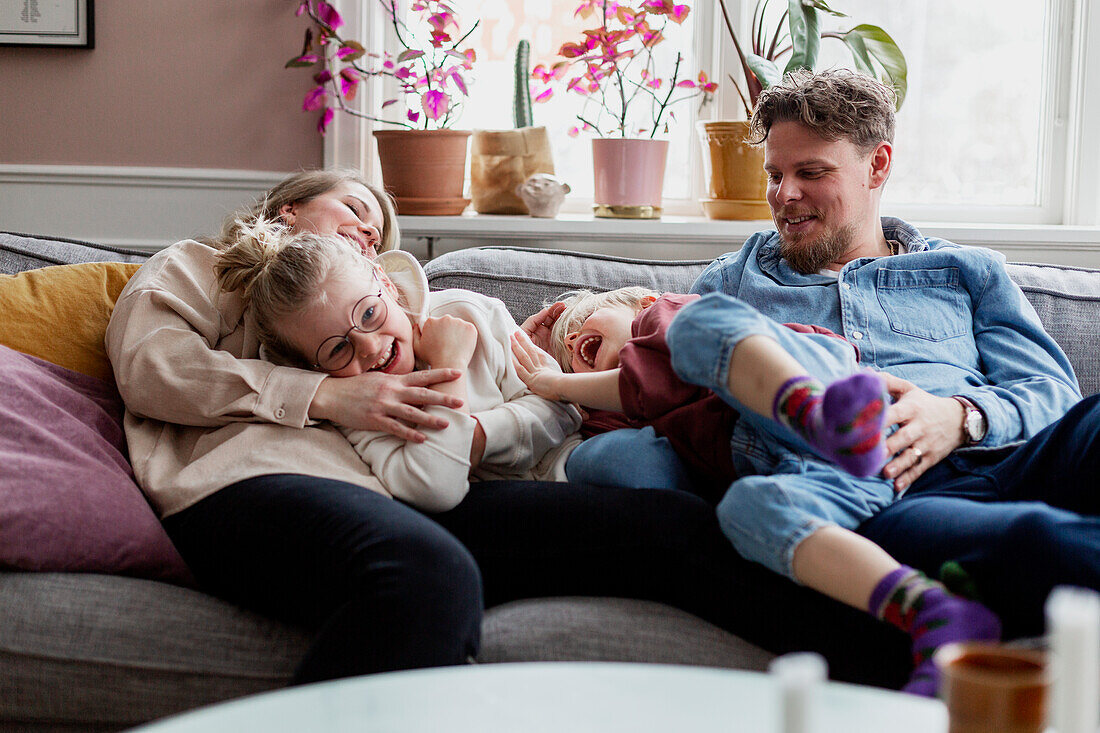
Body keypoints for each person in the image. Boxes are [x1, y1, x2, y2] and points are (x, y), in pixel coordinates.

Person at [105, 168, 913, 690]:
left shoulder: (420, 312)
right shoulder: (197, 266)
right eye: (350, 208)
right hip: (263, 480)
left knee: (669, 528)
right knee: (427, 579)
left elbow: (531, 392)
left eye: (374, 233)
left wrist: (485, 387)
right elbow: (152, 368)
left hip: (420, 487)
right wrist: (326, 395)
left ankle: (914, 665)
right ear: (287, 213)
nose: (364, 229)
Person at [662, 68, 1098, 692]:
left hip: (1009, 454)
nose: (784, 195)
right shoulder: (728, 288)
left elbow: (1054, 394)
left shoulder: (964, 272)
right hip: (894, 496)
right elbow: (666, 377)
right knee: (1035, 540)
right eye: (774, 175)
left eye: (811, 173)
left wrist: (961, 415)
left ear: (877, 166)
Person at [511, 285, 1000, 696]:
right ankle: (931, 611)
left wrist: (558, 383)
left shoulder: (663, 318)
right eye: (562, 348)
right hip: (842, 473)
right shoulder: (618, 423)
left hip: (812, 386)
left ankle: (825, 419)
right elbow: (620, 446)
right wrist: (535, 386)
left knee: (699, 328)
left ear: (639, 301)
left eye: (583, 321)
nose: (571, 339)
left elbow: (647, 382)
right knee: (747, 511)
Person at [212, 221, 582, 512]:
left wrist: (471, 439)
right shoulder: (353, 408)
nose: (370, 347)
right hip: (492, 516)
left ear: (386, 284)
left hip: (580, 469)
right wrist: (448, 365)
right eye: (338, 348)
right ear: (313, 368)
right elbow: (437, 487)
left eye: (370, 313)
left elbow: (563, 410)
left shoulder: (470, 313)